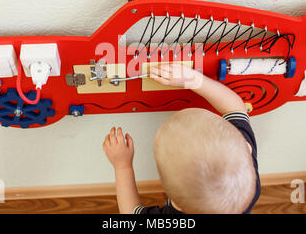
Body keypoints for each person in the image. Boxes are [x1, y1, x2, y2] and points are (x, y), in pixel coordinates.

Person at [103, 63, 260, 214]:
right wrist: (194, 80)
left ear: (176, 205)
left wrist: (122, 166)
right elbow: (235, 108)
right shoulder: (244, 174)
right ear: (247, 147)